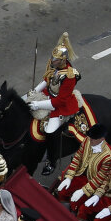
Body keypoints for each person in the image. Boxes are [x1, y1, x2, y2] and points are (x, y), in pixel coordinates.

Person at [30, 33, 81, 175]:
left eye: (56, 59)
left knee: (50, 131)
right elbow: (47, 79)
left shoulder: (70, 76)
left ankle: (51, 160)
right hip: (48, 94)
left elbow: (59, 101)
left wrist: (37, 105)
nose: (52, 61)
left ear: (63, 60)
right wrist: (34, 92)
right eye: (53, 58)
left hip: (60, 106)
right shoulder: (55, 66)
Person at [55, 123, 111, 209]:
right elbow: (77, 158)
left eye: (93, 139)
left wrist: (83, 191)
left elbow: (100, 178)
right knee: (62, 191)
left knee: (76, 203)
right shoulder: (87, 140)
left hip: (92, 182)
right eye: (90, 137)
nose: (90, 140)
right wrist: (69, 177)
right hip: (80, 175)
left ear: (102, 139)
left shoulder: (108, 156)